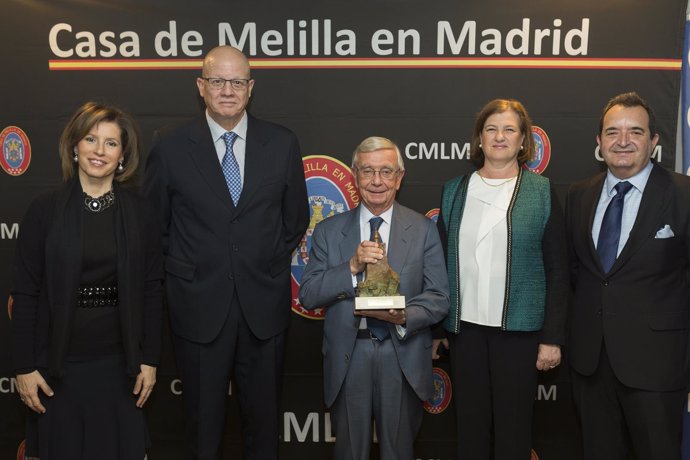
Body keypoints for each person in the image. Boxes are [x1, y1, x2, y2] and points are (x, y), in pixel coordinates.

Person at [144, 45, 309, 459]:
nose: (228, 91)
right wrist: (191, 268)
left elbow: (295, 220)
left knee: (264, 428)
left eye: (237, 82)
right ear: (201, 87)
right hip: (197, 307)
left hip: (264, 308)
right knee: (202, 430)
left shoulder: (282, 143)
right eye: (218, 81)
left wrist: (261, 260)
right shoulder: (169, 145)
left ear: (250, 88)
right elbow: (155, 226)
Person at [10, 101, 163, 459]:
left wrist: (151, 359)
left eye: (111, 143)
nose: (100, 151)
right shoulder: (43, 210)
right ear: (75, 146)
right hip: (56, 371)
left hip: (120, 369)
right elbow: (26, 293)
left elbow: (152, 290)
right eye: (91, 139)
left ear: (123, 154)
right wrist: (23, 367)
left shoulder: (142, 214)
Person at [299, 136, 449, 460]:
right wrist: (351, 267)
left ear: (400, 176)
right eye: (368, 171)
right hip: (349, 356)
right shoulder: (327, 231)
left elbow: (438, 297)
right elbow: (309, 294)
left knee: (399, 453)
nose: (377, 181)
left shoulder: (423, 229)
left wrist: (404, 315)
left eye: (385, 171)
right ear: (355, 175)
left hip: (402, 355)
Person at [435, 99, 568, 459]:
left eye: (509, 129)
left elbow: (558, 269)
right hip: (465, 334)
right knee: (471, 431)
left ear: (524, 139)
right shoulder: (454, 191)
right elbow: (439, 267)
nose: (499, 136)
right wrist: (436, 331)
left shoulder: (541, 192)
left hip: (520, 336)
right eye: (491, 128)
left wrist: (552, 337)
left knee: (514, 433)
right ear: (479, 138)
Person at [566, 92, 690, 460]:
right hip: (591, 365)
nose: (623, 141)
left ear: (653, 142)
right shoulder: (579, 195)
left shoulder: (684, 194)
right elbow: (575, 272)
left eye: (635, 132)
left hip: (657, 365)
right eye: (612, 132)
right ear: (599, 142)